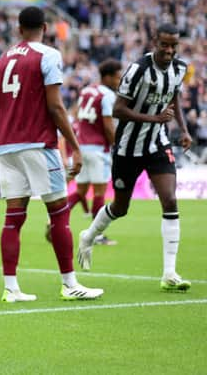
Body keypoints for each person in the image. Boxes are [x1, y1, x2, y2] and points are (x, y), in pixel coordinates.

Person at [0, 6, 104, 303]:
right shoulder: (48, 55)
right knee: (58, 213)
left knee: (13, 219)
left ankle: (11, 287)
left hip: (7, 146)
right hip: (38, 144)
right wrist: (75, 146)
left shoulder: (3, 59)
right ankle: (69, 283)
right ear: (45, 27)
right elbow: (55, 106)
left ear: (18, 29)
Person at [78, 23, 193, 292]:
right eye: (164, 44)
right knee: (120, 208)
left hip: (157, 144)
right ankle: (89, 235)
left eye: (173, 45)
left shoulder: (179, 68)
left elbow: (174, 97)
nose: (169, 50)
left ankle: (169, 273)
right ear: (155, 41)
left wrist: (184, 130)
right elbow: (118, 110)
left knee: (170, 199)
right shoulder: (137, 69)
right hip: (128, 147)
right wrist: (154, 118)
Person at [67, 58, 123, 245]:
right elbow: (108, 126)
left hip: (81, 147)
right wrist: (117, 146)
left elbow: (76, 115)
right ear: (107, 77)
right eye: (116, 77)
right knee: (100, 192)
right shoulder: (107, 95)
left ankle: (54, 220)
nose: (119, 80)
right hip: (98, 148)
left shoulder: (86, 91)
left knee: (81, 190)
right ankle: (96, 235)